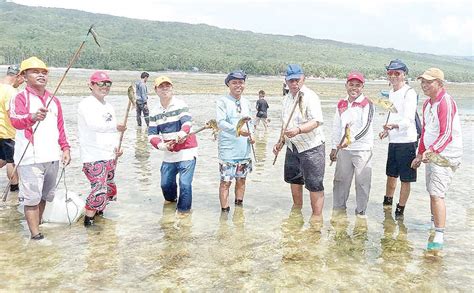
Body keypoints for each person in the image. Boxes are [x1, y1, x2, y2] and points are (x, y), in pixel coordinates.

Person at [9, 56, 71, 240]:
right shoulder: (19, 97)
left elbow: (61, 127)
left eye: (44, 72)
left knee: (45, 196)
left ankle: (39, 223)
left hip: (52, 156)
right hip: (30, 157)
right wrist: (32, 117)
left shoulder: (54, 100)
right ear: (24, 76)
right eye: (35, 71)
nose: (41, 75)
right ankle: (36, 236)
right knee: (31, 198)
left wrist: (65, 148)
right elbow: (15, 121)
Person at [411, 68, 462, 251]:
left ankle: (439, 235)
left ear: (440, 84)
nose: (424, 85)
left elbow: (446, 133)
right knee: (431, 189)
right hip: (432, 153)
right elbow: (426, 131)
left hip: (445, 155)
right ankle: (434, 226)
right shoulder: (427, 104)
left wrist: (431, 151)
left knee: (437, 194)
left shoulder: (445, 102)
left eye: (429, 82)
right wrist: (420, 153)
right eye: (422, 82)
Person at [272, 64, 325, 222]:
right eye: (291, 81)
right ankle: (296, 213)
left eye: (297, 80)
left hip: (311, 147)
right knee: (294, 180)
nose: (294, 84)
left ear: (303, 79)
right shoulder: (286, 98)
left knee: (314, 184)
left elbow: (316, 121)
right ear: (286, 81)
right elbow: (285, 124)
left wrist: (299, 130)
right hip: (292, 146)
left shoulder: (310, 96)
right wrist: (280, 141)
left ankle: (316, 217)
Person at [78, 71, 126, 227]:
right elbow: (94, 125)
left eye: (107, 84)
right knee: (98, 188)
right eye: (100, 83)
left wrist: (117, 149)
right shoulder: (86, 104)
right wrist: (115, 127)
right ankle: (88, 221)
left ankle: (99, 216)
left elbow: (111, 133)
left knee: (108, 188)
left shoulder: (109, 106)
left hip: (108, 155)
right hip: (93, 155)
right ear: (91, 85)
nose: (104, 87)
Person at [148, 76, 198, 215]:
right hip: (169, 152)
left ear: (172, 88)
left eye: (167, 86)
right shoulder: (154, 112)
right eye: (161, 86)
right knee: (165, 184)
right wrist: (162, 146)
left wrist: (182, 133)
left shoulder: (180, 104)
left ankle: (184, 213)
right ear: (156, 90)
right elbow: (152, 135)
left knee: (185, 184)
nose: (165, 89)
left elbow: (187, 123)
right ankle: (170, 207)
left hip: (187, 151)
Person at [330, 71, 374, 217]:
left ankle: (360, 212)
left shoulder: (367, 103)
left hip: (362, 149)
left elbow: (366, 127)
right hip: (343, 150)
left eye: (358, 85)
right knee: (340, 181)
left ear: (362, 87)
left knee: (362, 183)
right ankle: (338, 211)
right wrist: (334, 146)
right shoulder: (341, 103)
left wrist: (351, 140)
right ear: (346, 85)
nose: (354, 88)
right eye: (351, 84)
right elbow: (337, 127)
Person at [379, 59, 418, 218]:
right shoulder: (392, 93)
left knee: (405, 179)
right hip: (393, 140)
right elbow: (392, 113)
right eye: (390, 73)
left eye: (397, 73)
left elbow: (408, 120)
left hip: (407, 141)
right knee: (391, 174)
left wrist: (393, 126)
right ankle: (387, 204)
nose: (393, 76)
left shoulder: (410, 93)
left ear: (404, 75)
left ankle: (400, 209)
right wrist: (387, 130)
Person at [216, 70, 254, 212]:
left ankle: (239, 210)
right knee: (225, 182)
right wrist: (238, 131)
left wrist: (252, 135)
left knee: (242, 180)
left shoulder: (247, 102)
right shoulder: (222, 101)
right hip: (228, 150)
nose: (238, 85)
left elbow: (250, 124)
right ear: (228, 84)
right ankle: (224, 213)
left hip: (244, 150)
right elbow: (220, 123)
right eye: (234, 82)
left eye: (241, 82)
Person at [0, 65, 24, 192]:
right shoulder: (11, 92)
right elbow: (12, 114)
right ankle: (14, 188)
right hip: (9, 132)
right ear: (17, 76)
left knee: (2, 159)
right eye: (23, 79)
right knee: (11, 161)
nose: (22, 82)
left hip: (1, 131)